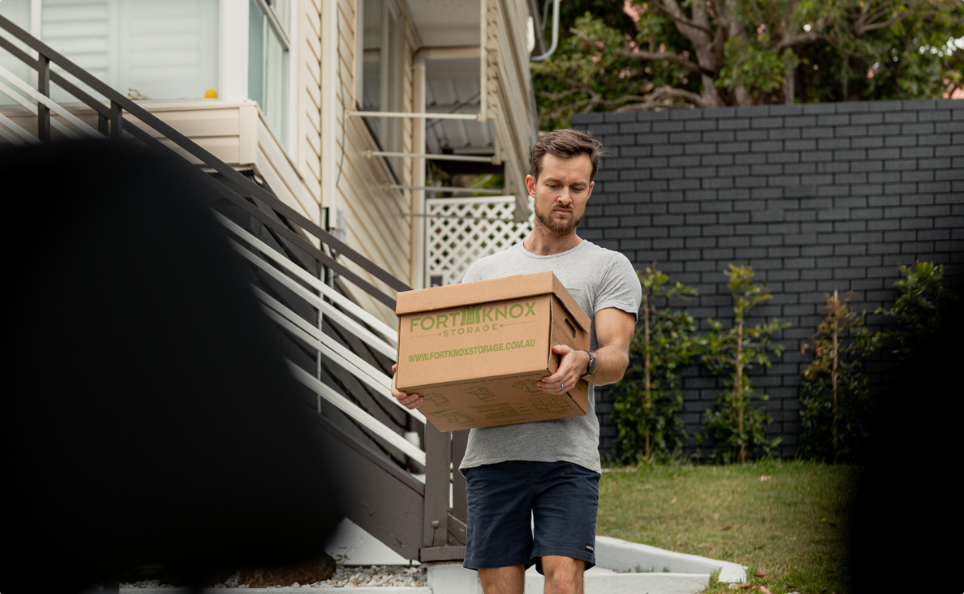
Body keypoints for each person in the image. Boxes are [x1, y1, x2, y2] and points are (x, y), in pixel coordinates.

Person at [392, 129, 641, 594]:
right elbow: (461, 361)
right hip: (493, 457)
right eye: (554, 185)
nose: (564, 197)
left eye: (577, 187)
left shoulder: (608, 267)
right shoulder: (487, 273)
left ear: (590, 190)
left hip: (567, 457)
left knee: (563, 583)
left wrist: (584, 362)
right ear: (531, 186)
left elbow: (616, 356)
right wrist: (420, 384)